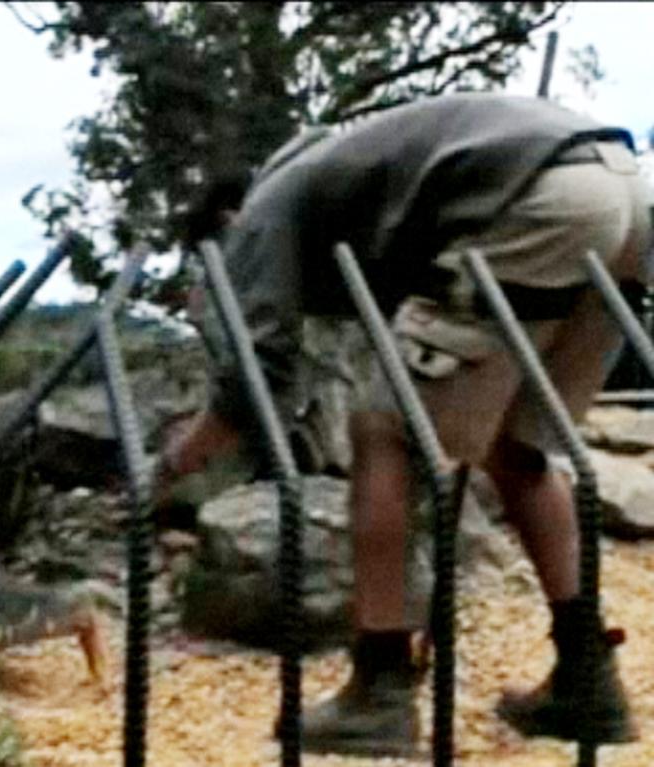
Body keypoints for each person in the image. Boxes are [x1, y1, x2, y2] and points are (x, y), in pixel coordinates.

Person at [158, 92, 652, 756]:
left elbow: (258, 375)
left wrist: (175, 463)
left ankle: (379, 689)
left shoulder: (263, 210)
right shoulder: (351, 181)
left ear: (227, 220)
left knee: (386, 432)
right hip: (624, 192)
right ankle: (585, 674)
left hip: (541, 197)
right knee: (517, 450)